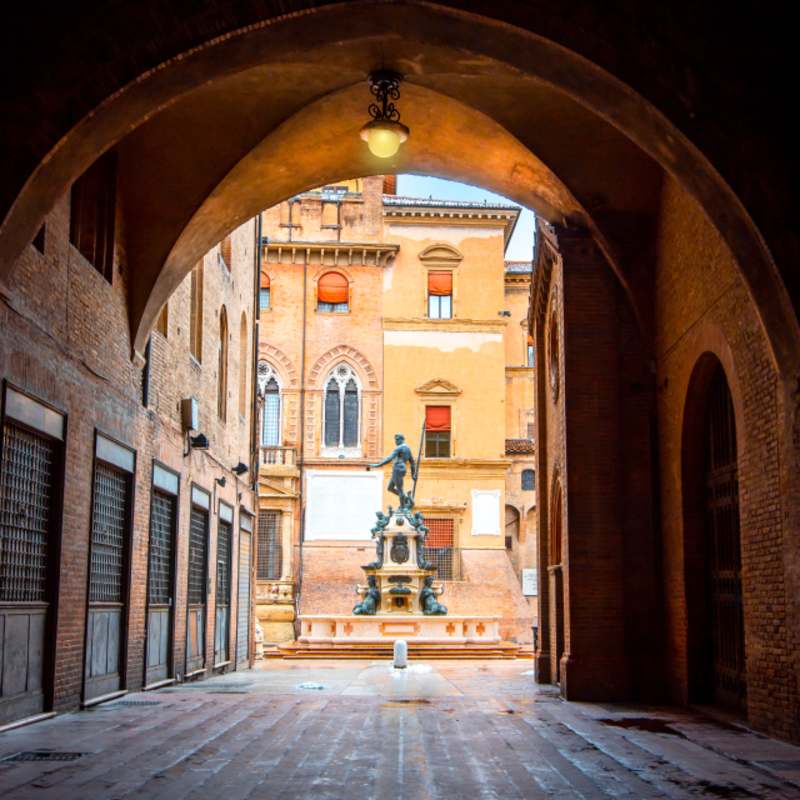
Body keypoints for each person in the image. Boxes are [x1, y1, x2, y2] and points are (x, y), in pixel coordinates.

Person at [369, 433, 417, 507]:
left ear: (402, 439)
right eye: (395, 440)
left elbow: (390, 458)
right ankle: (406, 498)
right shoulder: (408, 449)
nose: (396, 441)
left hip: (398, 468)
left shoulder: (399, 448)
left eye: (397, 440)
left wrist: (379, 464)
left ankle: (402, 507)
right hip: (401, 468)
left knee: (400, 489)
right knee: (390, 488)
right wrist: (413, 474)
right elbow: (412, 463)